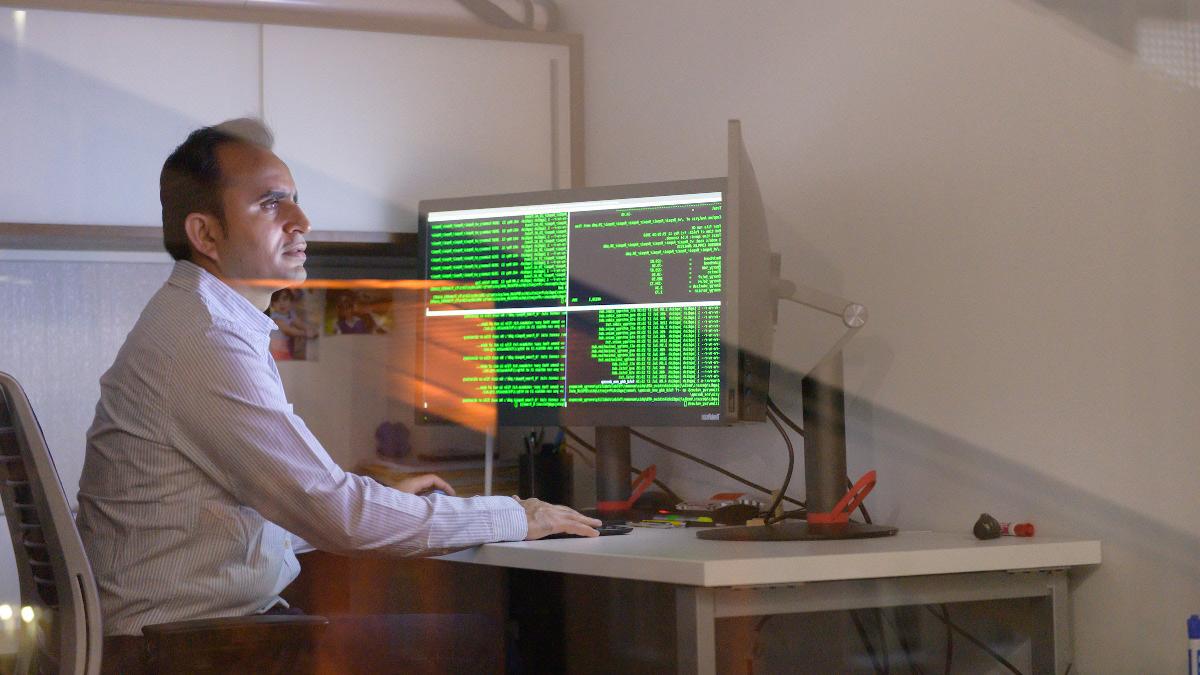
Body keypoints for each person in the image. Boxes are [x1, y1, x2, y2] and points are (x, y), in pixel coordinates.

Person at [75, 118, 601, 673]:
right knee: (487, 646)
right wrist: (515, 515)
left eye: (295, 201)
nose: (302, 221)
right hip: (191, 652)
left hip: (186, 638)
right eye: (272, 204)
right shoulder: (206, 338)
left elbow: (254, 515)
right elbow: (339, 518)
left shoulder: (201, 322)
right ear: (206, 235)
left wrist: (376, 497)